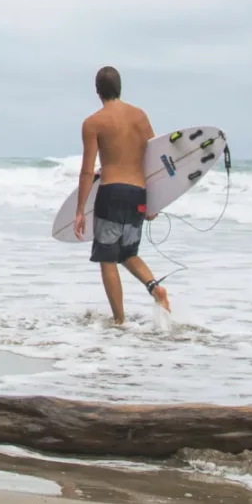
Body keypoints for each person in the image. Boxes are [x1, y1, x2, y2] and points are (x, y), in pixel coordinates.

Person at [72, 66, 172, 323]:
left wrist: (80, 210)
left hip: (112, 193)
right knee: (127, 253)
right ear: (120, 88)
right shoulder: (140, 116)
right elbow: (154, 158)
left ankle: (119, 321)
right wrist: (154, 202)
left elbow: (86, 172)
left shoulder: (93, 122)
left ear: (97, 91)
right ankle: (154, 288)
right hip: (138, 193)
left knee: (107, 258)